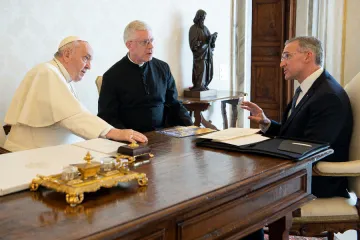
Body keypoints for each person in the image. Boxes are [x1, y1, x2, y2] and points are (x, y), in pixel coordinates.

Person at [241, 36, 353, 199]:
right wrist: (267, 124)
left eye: (287, 56)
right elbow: (297, 136)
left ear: (308, 56)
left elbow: (310, 150)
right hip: (300, 174)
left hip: (314, 184)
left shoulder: (329, 96)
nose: (281, 63)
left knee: (245, 194)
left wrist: (262, 160)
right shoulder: (310, 88)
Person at [4, 36, 147, 152]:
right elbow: (73, 117)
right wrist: (114, 132)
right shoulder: (47, 72)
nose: (89, 66)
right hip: (31, 152)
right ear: (67, 55)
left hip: (52, 150)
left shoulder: (62, 77)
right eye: (86, 58)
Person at [98, 20, 193, 132]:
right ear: (129, 45)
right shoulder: (112, 76)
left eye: (151, 40)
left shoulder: (163, 68)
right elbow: (107, 117)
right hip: (131, 141)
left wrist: (193, 128)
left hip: (164, 136)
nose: (151, 46)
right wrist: (128, 136)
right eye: (144, 42)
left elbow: (174, 104)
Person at [189, 9, 217, 91]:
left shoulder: (205, 29)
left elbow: (210, 44)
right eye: (202, 18)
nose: (203, 20)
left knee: (207, 71)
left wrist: (213, 40)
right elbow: (193, 45)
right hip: (200, 55)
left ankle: (204, 84)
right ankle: (199, 85)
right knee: (200, 69)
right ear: (198, 17)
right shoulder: (193, 28)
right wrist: (205, 41)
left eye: (204, 18)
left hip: (207, 54)